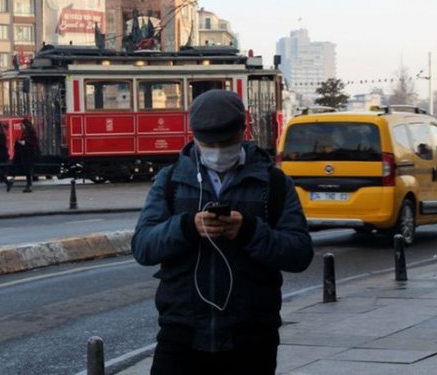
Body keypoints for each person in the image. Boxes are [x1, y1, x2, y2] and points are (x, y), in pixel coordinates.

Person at [132, 90, 314, 375]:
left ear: (243, 130)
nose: (217, 150)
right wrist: (187, 227)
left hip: (251, 337)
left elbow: (300, 253)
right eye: (208, 143)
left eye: (225, 142)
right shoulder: (171, 181)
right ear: (194, 136)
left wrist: (250, 231)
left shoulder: (274, 184)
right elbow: (143, 247)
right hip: (182, 333)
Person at [15, 118, 40, 193]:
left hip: (30, 154)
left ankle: (29, 185)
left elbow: (34, 142)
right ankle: (28, 184)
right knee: (27, 170)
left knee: (28, 169)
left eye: (22, 125)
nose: (22, 126)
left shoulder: (31, 132)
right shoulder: (25, 132)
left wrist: (25, 143)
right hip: (25, 153)